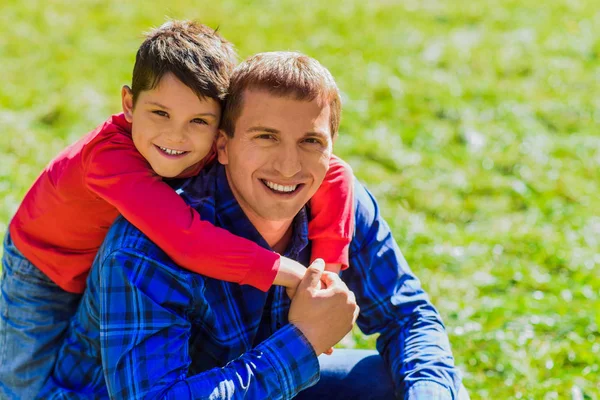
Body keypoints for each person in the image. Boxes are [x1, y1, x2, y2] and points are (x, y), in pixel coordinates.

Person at [39, 51, 467, 399]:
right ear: (223, 146)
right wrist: (302, 342)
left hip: (257, 383)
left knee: (409, 383)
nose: (288, 165)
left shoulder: (339, 203)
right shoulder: (146, 248)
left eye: (310, 142)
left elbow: (410, 318)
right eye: (265, 137)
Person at [0, 21, 355, 400]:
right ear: (129, 105)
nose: (176, 136)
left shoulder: (204, 148)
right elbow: (187, 240)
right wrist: (294, 275)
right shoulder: (108, 159)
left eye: (199, 121)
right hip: (43, 268)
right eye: (160, 113)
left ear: (222, 127)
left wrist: (327, 271)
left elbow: (337, 171)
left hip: (100, 253)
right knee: (24, 385)